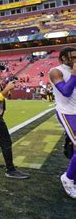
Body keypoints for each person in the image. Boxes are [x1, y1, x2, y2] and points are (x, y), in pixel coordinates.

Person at [49, 47, 76, 198]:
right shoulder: (56, 71)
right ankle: (68, 178)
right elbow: (66, 91)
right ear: (63, 58)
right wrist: (74, 74)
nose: (75, 60)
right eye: (73, 57)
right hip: (67, 113)